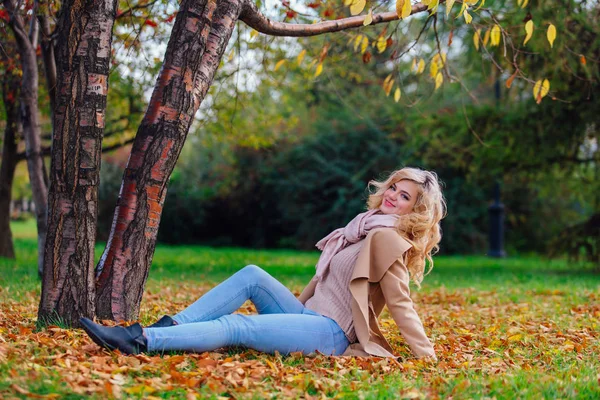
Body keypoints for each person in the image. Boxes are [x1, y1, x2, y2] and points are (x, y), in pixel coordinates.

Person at [81, 167, 446, 360]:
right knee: (252, 275)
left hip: (330, 334)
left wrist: (426, 356)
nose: (393, 198)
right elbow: (325, 283)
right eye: (394, 189)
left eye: (405, 196)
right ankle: (173, 325)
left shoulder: (387, 240)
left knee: (238, 326)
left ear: (415, 210)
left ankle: (141, 339)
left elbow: (400, 303)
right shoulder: (361, 229)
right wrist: (294, 314)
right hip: (308, 317)